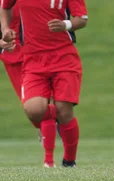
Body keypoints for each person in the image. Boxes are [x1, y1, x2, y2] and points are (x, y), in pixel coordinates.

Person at [1, 0, 87, 168]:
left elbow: (82, 18)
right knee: (34, 109)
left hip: (63, 57)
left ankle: (68, 162)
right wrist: (4, 30)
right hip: (32, 59)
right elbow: (5, 7)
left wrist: (65, 24)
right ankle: (51, 139)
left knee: (64, 109)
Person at [0, 2, 59, 168]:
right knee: (33, 109)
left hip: (42, 54)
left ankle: (51, 160)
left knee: (50, 104)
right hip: (15, 58)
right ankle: (47, 127)